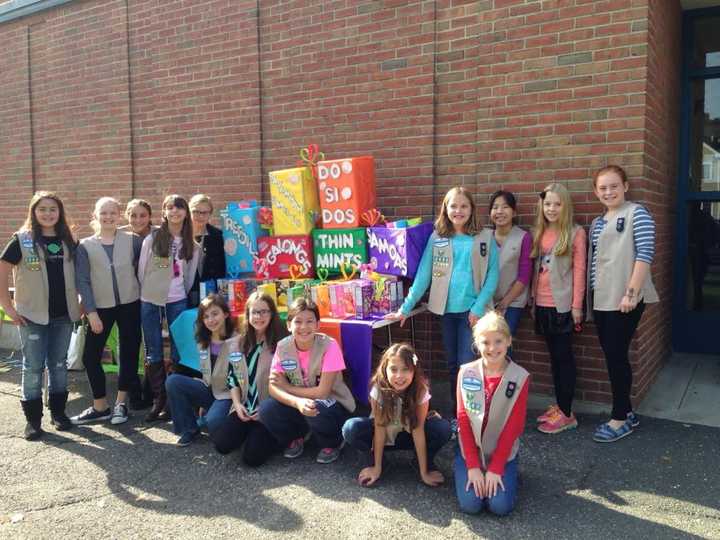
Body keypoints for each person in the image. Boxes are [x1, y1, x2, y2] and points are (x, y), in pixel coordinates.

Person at [387, 186, 499, 425]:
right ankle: (459, 416)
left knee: (467, 365)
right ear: (445, 209)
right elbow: (424, 275)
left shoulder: (485, 237)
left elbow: (493, 276)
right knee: (452, 365)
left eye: (464, 206)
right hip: (447, 312)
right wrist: (406, 308)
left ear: (471, 209)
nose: (458, 211)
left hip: (473, 314)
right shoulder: (438, 237)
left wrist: (478, 309)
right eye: (453, 206)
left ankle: (472, 416)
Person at [0, 191, 80, 439]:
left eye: (53, 209)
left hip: (63, 315)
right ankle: (33, 421)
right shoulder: (21, 240)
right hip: (31, 315)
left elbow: (81, 274)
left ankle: (59, 413)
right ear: (33, 212)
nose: (48, 213)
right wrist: (8, 307)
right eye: (42, 209)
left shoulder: (69, 239)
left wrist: (81, 301)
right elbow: (2, 272)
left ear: (60, 213)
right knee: (33, 367)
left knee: (58, 365)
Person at [587, 165, 658, 443]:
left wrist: (631, 293)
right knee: (612, 355)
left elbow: (645, 254)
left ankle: (619, 419)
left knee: (616, 356)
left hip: (625, 299)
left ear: (626, 186)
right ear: (596, 192)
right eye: (603, 188)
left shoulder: (636, 213)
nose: (608, 192)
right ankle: (627, 411)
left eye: (614, 186)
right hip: (602, 299)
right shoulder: (597, 222)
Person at [71, 197, 142, 426]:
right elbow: (82, 280)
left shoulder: (133, 241)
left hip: (131, 304)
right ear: (95, 216)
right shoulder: (84, 246)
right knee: (90, 356)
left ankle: (121, 403)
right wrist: (90, 312)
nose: (108, 217)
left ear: (119, 216)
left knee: (129, 353)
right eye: (103, 213)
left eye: (113, 212)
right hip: (100, 307)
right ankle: (100, 406)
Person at [259, 298, 356, 464]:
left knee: (316, 405)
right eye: (298, 322)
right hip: (300, 403)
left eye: (310, 321)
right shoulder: (283, 347)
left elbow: (322, 392)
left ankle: (332, 442)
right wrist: (297, 402)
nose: (304, 327)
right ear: (289, 325)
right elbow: (273, 387)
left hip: (332, 404)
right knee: (267, 408)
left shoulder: (329, 346)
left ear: (318, 325)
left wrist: (287, 387)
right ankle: (297, 437)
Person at [342, 343, 451, 487]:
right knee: (351, 428)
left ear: (414, 370)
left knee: (443, 428)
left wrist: (424, 473)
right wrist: (377, 467)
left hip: (410, 436)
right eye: (393, 369)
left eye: (405, 369)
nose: (399, 376)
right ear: (384, 369)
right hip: (386, 437)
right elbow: (379, 429)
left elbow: (418, 430)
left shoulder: (421, 391)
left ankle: (421, 462)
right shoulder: (378, 390)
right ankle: (377, 461)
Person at [454, 310, 529, 516]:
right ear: (477, 344)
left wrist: (496, 468)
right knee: (471, 505)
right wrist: (473, 465)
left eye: (498, 341)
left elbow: (514, 426)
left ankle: (508, 473)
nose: (492, 348)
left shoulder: (519, 377)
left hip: (501, 452)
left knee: (499, 507)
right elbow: (463, 419)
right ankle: (465, 469)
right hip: (472, 450)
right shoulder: (466, 372)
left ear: (508, 341)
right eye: (485, 342)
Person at [138, 194, 199, 422]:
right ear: (163, 212)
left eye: (179, 208)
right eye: (170, 208)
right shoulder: (152, 239)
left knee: (177, 348)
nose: (175, 212)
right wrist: (149, 293)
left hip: (177, 299)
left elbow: (190, 275)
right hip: (150, 299)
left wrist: (178, 292)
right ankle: (158, 399)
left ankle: (173, 401)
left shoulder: (191, 243)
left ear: (185, 212)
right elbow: (142, 270)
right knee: (153, 348)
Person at [531, 183, 586, 435]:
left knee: (564, 359)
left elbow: (580, 272)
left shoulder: (575, 233)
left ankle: (567, 413)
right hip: (541, 304)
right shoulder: (539, 232)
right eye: (547, 203)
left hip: (562, 306)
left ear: (565, 206)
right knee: (553, 359)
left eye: (557, 204)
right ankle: (560, 407)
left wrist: (576, 306)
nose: (551, 208)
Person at [210, 291, 286, 465]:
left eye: (264, 311)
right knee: (222, 445)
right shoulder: (237, 344)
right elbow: (233, 378)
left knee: (252, 459)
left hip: (267, 409)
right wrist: (237, 405)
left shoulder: (281, 344)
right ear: (248, 315)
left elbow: (286, 382)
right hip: (244, 407)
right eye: (254, 312)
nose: (259, 316)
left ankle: (275, 437)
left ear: (272, 314)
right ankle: (250, 433)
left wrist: (265, 409)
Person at [165, 294, 241, 446]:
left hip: (228, 395)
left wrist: (237, 402)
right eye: (206, 316)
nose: (211, 320)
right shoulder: (202, 341)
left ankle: (216, 417)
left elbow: (241, 377)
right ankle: (189, 429)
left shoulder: (238, 340)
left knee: (214, 424)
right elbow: (207, 370)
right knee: (173, 381)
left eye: (215, 314)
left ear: (225, 314)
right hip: (210, 389)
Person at [119, 198, 156, 409]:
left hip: (152, 296)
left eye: (143, 215)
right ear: (127, 215)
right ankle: (132, 391)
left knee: (153, 344)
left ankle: (150, 390)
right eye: (133, 215)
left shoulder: (159, 234)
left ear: (150, 216)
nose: (138, 219)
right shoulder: (120, 235)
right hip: (128, 298)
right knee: (130, 344)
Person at [488, 190, 532, 336]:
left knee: (504, 342)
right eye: (495, 207)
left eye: (505, 207)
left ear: (514, 212)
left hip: (513, 301)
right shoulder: (483, 237)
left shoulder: (523, 237)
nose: (499, 211)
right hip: (487, 301)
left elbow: (524, 276)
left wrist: (504, 303)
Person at [188, 194, 226, 307]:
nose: (200, 216)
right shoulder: (181, 235)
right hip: (184, 292)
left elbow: (221, 266)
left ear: (210, 214)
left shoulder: (217, 235)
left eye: (204, 213)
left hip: (210, 291)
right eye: (196, 212)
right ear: (189, 212)